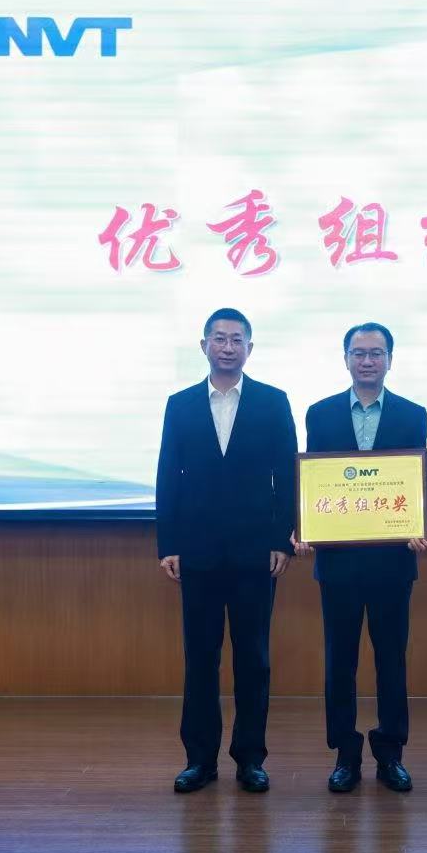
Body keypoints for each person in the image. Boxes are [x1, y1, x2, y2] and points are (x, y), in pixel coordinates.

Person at [156, 307, 296, 794]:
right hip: (197, 551)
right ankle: (199, 759)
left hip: (256, 553)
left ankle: (250, 758)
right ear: (205, 346)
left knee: (254, 659)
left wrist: (282, 539)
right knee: (200, 658)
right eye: (220, 338)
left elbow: (287, 475)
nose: (228, 347)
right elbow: (167, 474)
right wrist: (168, 543)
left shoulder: (273, 402)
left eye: (237, 339)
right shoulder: (180, 405)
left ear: (249, 349)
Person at [296, 322, 427, 793]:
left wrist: (421, 525)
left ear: (390, 359)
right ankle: (345, 754)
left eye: (377, 353)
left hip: (394, 561)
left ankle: (391, 753)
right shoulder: (320, 413)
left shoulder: (413, 414)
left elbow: (418, 482)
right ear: (346, 359)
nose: (368, 360)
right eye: (359, 352)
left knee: (392, 660)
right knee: (340, 661)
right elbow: (315, 482)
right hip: (338, 562)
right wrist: (305, 526)